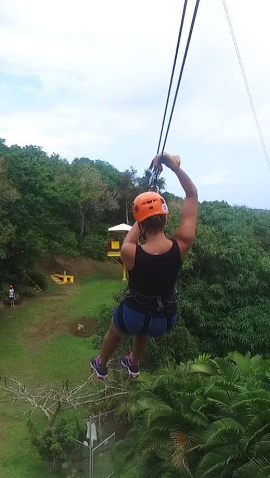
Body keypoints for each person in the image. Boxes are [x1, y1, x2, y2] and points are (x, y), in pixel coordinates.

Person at [91, 153, 197, 380]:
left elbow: (131, 237)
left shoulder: (130, 252)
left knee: (116, 330)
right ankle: (134, 362)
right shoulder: (182, 245)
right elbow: (191, 195)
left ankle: (101, 364)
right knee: (145, 326)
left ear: (140, 223)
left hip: (134, 316)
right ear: (166, 219)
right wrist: (175, 168)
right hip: (166, 320)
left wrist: (142, 218)